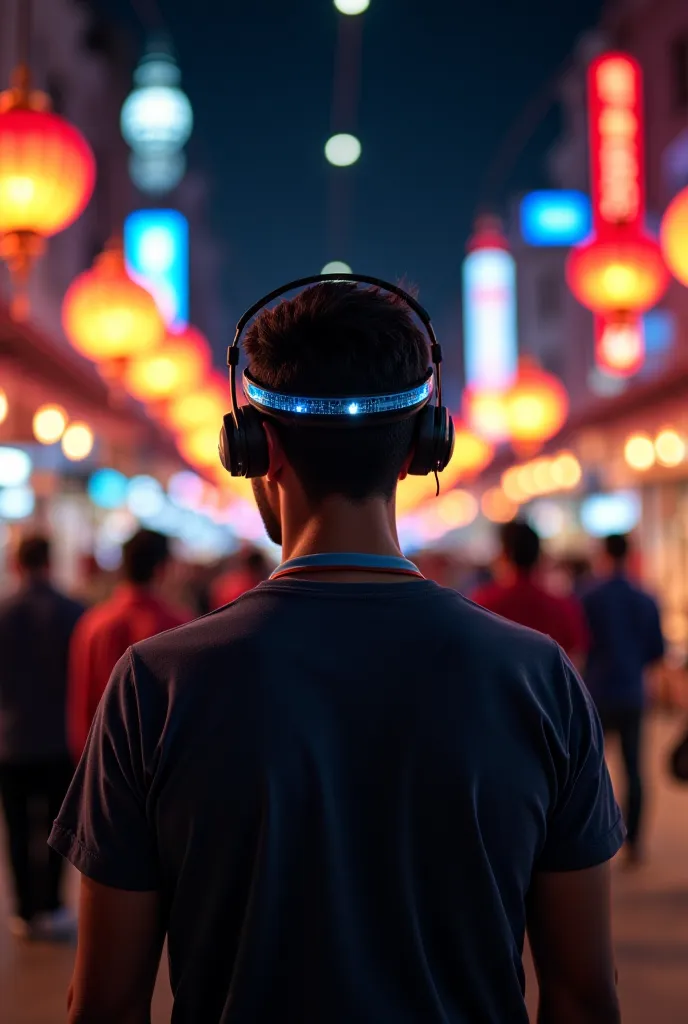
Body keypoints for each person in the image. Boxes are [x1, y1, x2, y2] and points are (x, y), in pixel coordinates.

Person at [50, 282, 622, 1024]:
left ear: (255, 448)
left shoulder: (155, 683)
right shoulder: (538, 676)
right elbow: (581, 995)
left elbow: (105, 1003)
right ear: (425, 445)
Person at [0, 535, 84, 940]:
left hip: (10, 740)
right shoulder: (74, 613)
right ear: (52, 561)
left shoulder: (4, 612)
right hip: (57, 739)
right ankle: (51, 905)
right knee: (54, 827)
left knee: (16, 829)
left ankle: (23, 911)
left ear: (17, 564)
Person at [67, 529, 191, 764]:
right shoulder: (181, 626)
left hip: (105, 762)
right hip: (163, 769)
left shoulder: (93, 625)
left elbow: (82, 705)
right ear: (162, 569)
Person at [582, 533, 665, 864]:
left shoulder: (588, 596)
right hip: (632, 691)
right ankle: (635, 843)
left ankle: (593, 842)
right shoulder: (645, 598)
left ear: (603, 554)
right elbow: (656, 651)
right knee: (634, 769)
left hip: (596, 692)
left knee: (590, 771)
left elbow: (580, 644)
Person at [472, 520, 589, 665]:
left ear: (504, 554)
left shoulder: (481, 606)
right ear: (538, 556)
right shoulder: (562, 607)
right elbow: (577, 658)